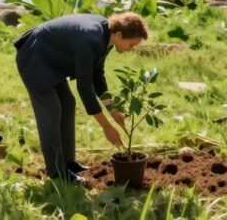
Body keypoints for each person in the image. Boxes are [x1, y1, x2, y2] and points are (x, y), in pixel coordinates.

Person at [14, 12, 149, 182]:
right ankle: (57, 173)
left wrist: (113, 110)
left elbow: (97, 75)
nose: (132, 49)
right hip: (34, 58)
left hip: (52, 60)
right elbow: (85, 88)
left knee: (68, 104)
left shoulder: (106, 35)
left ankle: (69, 163)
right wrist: (106, 127)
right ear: (119, 35)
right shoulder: (90, 40)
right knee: (52, 111)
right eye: (131, 44)